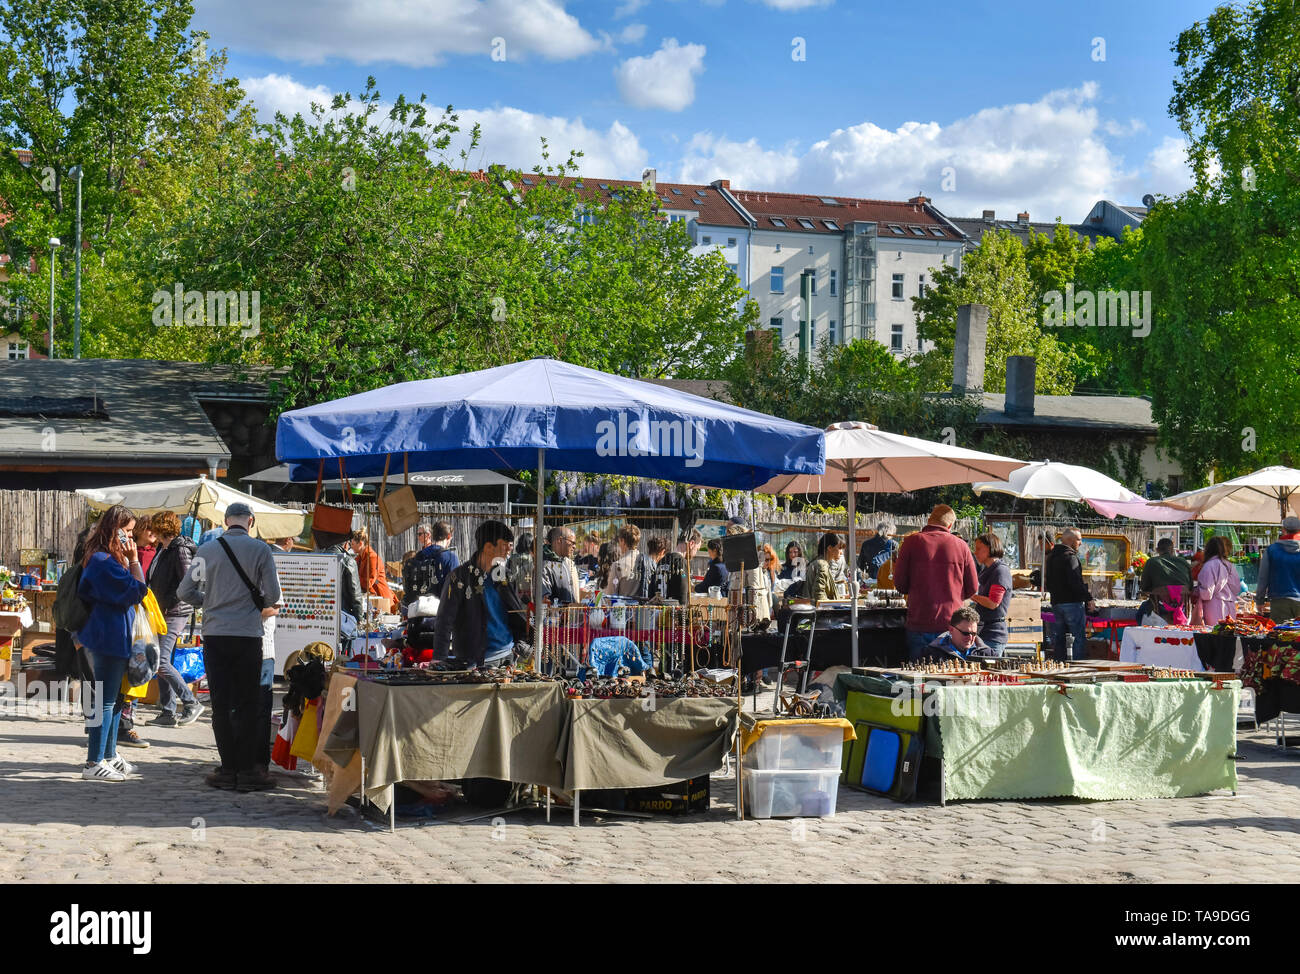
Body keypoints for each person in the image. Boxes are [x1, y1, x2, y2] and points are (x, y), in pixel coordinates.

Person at [177, 502, 282, 792]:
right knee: (248, 703)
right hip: (248, 635)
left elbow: (184, 591)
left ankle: (228, 769)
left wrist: (208, 601)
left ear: (225, 521)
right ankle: (247, 770)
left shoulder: (207, 550)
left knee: (221, 703)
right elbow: (273, 595)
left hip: (215, 635)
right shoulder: (261, 550)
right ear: (251, 521)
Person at [76, 505, 150, 781]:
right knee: (104, 701)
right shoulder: (102, 561)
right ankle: (93, 761)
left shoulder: (106, 558)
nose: (131, 537)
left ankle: (108, 755)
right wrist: (134, 560)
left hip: (116, 633)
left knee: (116, 699)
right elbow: (138, 590)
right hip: (107, 635)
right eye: (128, 531)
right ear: (115, 529)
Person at [432, 521, 529, 667]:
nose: (509, 550)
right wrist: (439, 658)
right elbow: (444, 620)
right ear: (489, 547)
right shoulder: (458, 577)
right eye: (505, 544)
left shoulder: (505, 576)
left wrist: (519, 647)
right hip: (473, 662)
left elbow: (517, 613)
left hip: (507, 657)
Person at [893, 504, 980, 661]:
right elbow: (973, 588)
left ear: (929, 520)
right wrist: (955, 595)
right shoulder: (962, 546)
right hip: (953, 624)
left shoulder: (911, 542)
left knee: (918, 679)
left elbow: (900, 585)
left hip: (919, 621)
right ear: (950, 525)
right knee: (951, 679)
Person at [144, 511, 204, 727]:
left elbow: (188, 581)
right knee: (162, 660)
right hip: (164, 611)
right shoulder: (165, 548)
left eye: (153, 526)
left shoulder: (179, 549)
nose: (150, 531)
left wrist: (169, 602)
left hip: (175, 611)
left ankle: (191, 702)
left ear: (161, 527)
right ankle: (168, 712)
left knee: (160, 661)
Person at [1044, 528, 1097, 661]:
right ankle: (1078, 668)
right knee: (1078, 638)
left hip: (1057, 603)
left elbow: (1048, 582)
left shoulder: (1051, 557)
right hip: (1072, 603)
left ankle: (1060, 666)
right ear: (1070, 540)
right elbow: (1076, 582)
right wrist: (1088, 598)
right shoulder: (1070, 557)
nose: (1081, 542)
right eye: (1079, 539)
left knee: (1060, 639)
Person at [969, 532, 1012, 656]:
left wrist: (971, 595)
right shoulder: (988, 570)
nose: (975, 552)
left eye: (978, 549)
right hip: (984, 632)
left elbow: (993, 603)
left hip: (993, 635)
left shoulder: (1000, 571)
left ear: (989, 548)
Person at [403, 520, 459, 607]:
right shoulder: (451, 558)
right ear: (448, 536)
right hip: (440, 611)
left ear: (432, 536)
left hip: (418, 609)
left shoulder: (420, 555)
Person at [313, 528, 364, 624]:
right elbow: (355, 595)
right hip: (343, 616)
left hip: (320, 613)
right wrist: (359, 619)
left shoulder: (318, 558)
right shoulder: (348, 561)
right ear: (345, 544)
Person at [1257, 516, 1300, 623]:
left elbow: (1263, 577)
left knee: (1281, 636)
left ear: (1283, 530)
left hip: (1279, 601)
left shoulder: (1271, 550)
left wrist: (1260, 600)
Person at [1140, 537, 1193, 624]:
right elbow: (1190, 587)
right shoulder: (1184, 562)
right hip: (1183, 609)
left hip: (1160, 609)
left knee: (1140, 612)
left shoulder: (1151, 562)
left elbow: (1144, 587)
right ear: (1173, 550)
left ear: (1157, 550)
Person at [1195, 535, 1243, 626]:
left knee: (1213, 637)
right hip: (1230, 607)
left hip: (1213, 608)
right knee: (1229, 636)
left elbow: (1206, 594)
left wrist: (1196, 591)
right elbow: (1236, 589)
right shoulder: (1229, 565)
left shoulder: (1209, 566)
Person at [351, 527, 396, 613]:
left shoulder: (372, 557)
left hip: (381, 599)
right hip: (371, 599)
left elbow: (369, 582)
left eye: (352, 544)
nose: (351, 547)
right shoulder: (359, 558)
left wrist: (354, 579)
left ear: (360, 543)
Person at [924, 607, 995, 659]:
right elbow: (918, 679)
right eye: (965, 633)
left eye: (974, 634)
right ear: (951, 630)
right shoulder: (932, 652)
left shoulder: (987, 654)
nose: (970, 638)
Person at [541, 526, 581, 605]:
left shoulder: (564, 563)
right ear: (559, 540)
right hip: (554, 617)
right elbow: (545, 602)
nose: (574, 546)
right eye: (572, 542)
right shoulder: (545, 566)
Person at [648, 535, 690, 604]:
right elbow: (683, 587)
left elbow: (652, 587)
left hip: (657, 606)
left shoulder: (660, 562)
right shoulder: (680, 561)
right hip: (672, 608)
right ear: (691, 544)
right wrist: (682, 609)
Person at [803, 532, 842, 604]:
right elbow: (819, 595)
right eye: (839, 548)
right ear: (830, 548)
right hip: (821, 613)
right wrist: (835, 605)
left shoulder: (819, 563)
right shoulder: (822, 565)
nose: (841, 552)